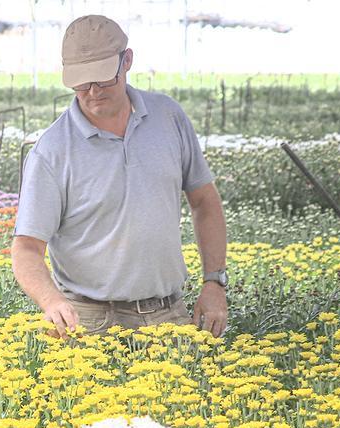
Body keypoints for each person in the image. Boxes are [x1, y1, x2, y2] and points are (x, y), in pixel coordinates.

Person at [12, 14, 229, 339]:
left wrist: (214, 281)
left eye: (102, 78)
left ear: (126, 61)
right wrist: (51, 300)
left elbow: (205, 202)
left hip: (168, 313)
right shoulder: (51, 152)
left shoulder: (168, 117)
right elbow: (26, 248)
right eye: (81, 82)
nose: (93, 91)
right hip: (87, 321)